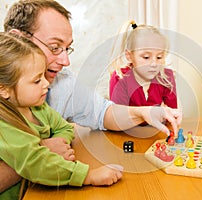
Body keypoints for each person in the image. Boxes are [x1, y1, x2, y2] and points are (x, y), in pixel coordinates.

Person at [1, 0, 182, 194]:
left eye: (67, 48)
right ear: (18, 40)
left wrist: (144, 112)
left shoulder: (61, 83)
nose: (65, 61)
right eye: (54, 47)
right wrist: (40, 154)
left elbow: (103, 113)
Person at [0, 32, 123, 200]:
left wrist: (60, 143)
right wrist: (88, 176)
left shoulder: (38, 107)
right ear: (3, 89)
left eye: (44, 75)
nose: (46, 84)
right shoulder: (5, 125)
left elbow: (64, 127)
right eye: (37, 80)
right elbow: (36, 163)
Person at [109, 21, 177, 108]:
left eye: (159, 57)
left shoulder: (166, 77)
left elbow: (172, 116)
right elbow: (118, 118)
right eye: (146, 57)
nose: (154, 64)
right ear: (129, 56)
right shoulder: (120, 78)